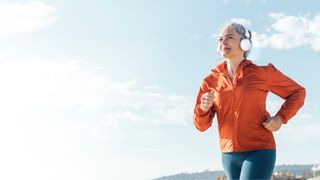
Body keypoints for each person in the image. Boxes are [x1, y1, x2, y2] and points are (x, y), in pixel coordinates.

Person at [193, 22, 306, 180]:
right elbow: (201, 126)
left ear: (244, 44)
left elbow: (298, 92)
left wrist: (281, 117)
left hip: (259, 150)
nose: (223, 42)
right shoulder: (210, 81)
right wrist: (203, 108)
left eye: (229, 37)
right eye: (220, 39)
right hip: (228, 155)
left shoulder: (262, 74)